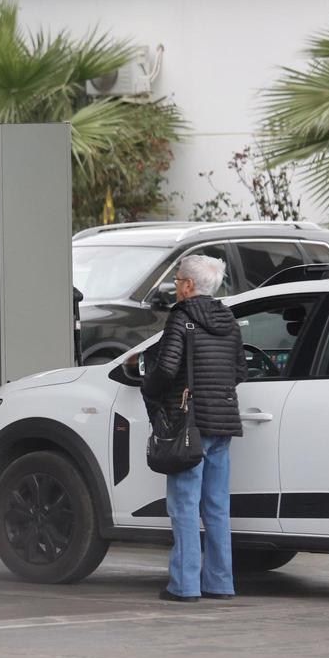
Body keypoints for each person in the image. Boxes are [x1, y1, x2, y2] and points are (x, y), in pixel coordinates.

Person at [141, 254, 247, 601]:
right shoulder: (229, 320)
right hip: (222, 424)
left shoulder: (182, 318)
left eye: (177, 282)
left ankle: (184, 586)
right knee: (216, 506)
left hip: (189, 426)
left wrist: (149, 389)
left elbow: (167, 368)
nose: (176, 287)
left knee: (184, 506)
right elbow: (239, 373)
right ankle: (220, 582)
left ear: (188, 285)